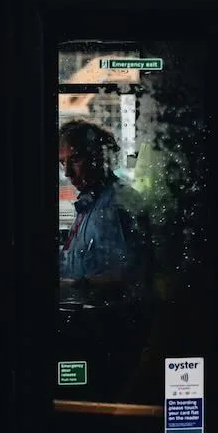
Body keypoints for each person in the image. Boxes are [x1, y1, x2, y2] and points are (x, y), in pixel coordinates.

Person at [59, 118, 150, 305]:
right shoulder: (88, 203)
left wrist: (75, 286)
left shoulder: (117, 204)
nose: (67, 172)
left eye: (75, 159)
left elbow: (129, 274)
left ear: (98, 157)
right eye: (62, 162)